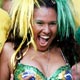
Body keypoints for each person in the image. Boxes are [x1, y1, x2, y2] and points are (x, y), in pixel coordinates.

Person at [0, 0, 80, 80]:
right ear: (28, 22)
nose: (47, 30)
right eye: (40, 23)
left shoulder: (68, 50)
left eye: (52, 23)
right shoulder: (11, 51)